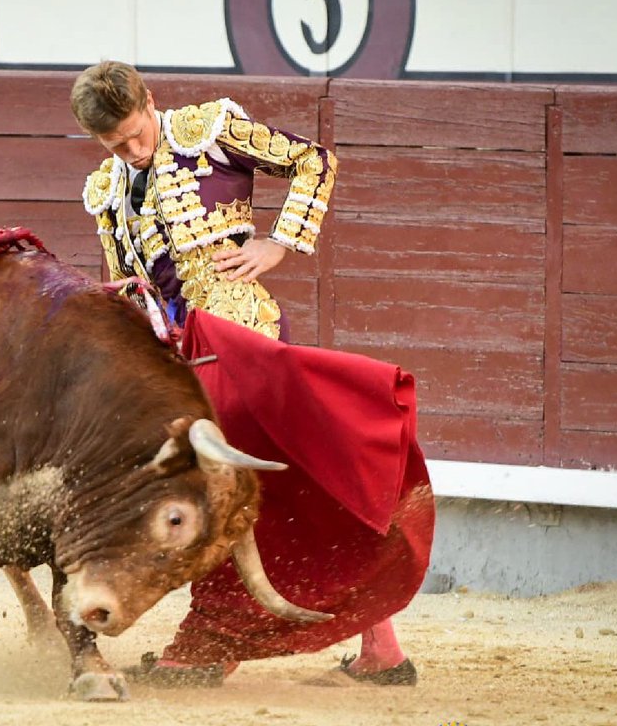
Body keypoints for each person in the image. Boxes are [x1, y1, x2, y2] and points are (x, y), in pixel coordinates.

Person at [69, 60, 434, 686]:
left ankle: (213, 642)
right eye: (116, 143)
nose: (133, 148)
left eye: (137, 132)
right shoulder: (103, 189)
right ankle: (382, 648)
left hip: (243, 342)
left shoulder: (209, 129)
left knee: (225, 492)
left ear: (151, 101)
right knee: (300, 484)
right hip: (177, 362)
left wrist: (279, 244)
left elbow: (312, 161)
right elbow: (126, 286)